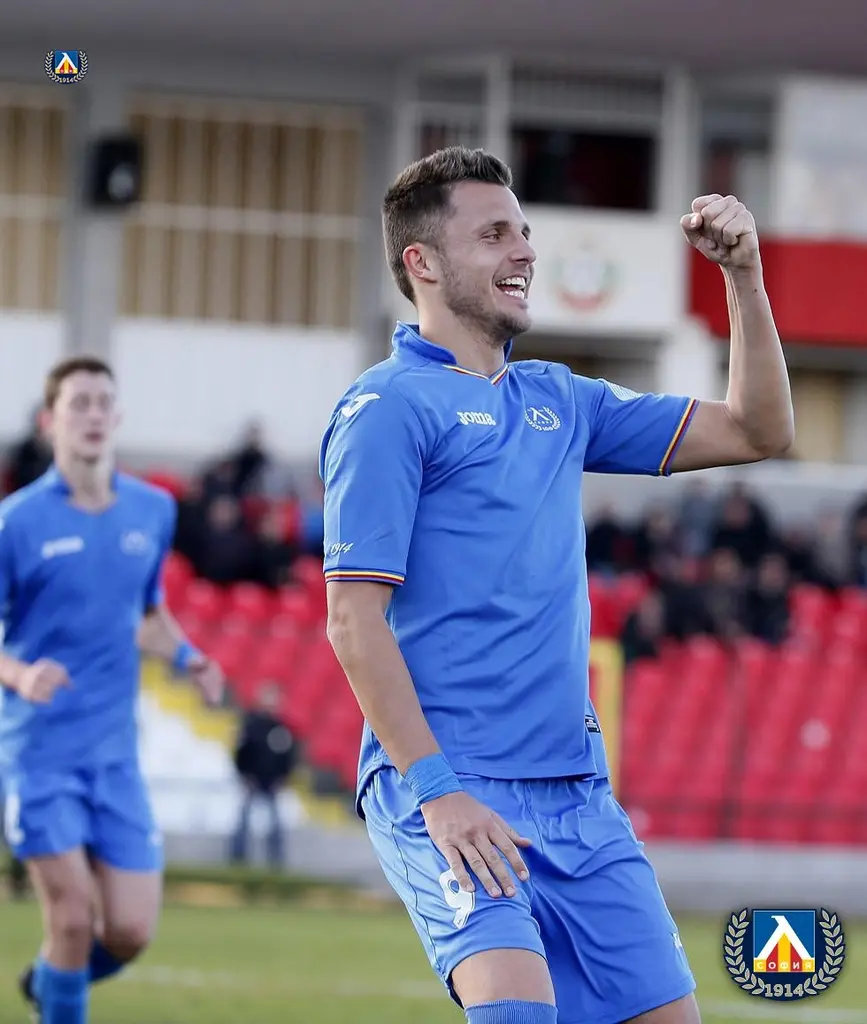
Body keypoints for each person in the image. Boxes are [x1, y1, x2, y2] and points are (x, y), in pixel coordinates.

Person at [320, 146, 794, 1024]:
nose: (524, 251)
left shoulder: (561, 400)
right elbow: (353, 622)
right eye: (494, 234)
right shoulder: (386, 408)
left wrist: (743, 277)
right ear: (422, 263)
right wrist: (438, 792)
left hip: (576, 792)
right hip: (451, 780)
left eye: (524, 232)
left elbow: (756, 430)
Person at [0, 356, 224, 1024]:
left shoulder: (152, 510)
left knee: (127, 931)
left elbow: (146, 615)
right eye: (79, 404)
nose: (93, 415)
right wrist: (20, 674)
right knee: (71, 918)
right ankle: (59, 990)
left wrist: (187, 656)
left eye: (104, 402)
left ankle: (49, 983)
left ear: (118, 416)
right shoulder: (17, 522)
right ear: (50, 421)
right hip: (38, 756)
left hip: (115, 756)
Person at [229, 683, 297, 867]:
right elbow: (241, 752)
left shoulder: (282, 728)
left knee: (275, 824)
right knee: (243, 821)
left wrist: (283, 777)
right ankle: (237, 857)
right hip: (252, 781)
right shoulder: (251, 725)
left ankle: (275, 860)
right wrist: (244, 775)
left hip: (272, 783)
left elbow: (288, 757)